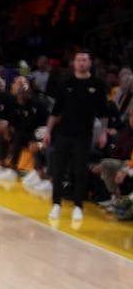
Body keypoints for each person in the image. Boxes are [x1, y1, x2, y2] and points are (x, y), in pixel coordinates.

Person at [45, 48, 112, 225]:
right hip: (63, 133)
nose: (82, 63)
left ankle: (78, 206)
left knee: (80, 171)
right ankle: (56, 203)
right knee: (58, 169)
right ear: (74, 63)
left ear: (90, 63)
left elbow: (104, 112)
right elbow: (55, 111)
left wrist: (103, 132)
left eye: (85, 60)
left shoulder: (97, 85)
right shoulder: (65, 83)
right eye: (79, 60)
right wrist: (48, 131)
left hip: (83, 135)